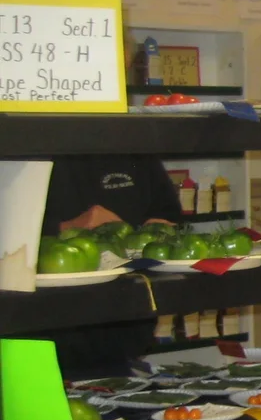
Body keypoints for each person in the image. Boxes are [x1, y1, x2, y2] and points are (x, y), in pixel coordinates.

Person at [42, 156, 183, 371]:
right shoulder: (31, 145)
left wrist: (158, 228)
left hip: (126, 324)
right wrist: (66, 227)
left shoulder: (135, 151)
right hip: (51, 328)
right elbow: (12, 232)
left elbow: (170, 216)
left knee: (116, 390)